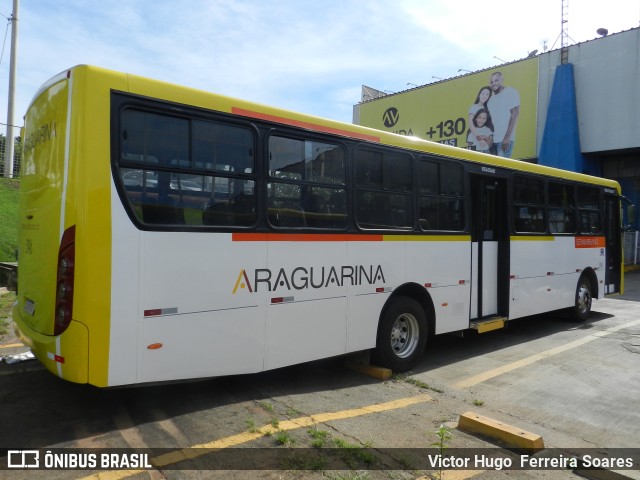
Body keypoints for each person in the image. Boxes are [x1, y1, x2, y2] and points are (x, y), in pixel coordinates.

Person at [487, 72, 520, 157]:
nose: (493, 83)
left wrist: (507, 137)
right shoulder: (490, 100)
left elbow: (515, 114)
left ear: (502, 80)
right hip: (493, 141)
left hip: (504, 140)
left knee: (502, 168)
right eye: (491, 82)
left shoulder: (510, 91)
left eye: (496, 80)